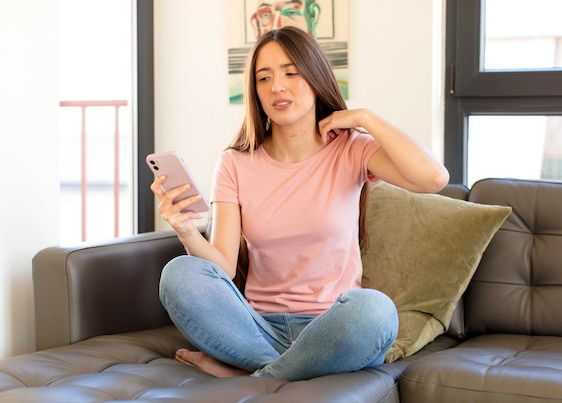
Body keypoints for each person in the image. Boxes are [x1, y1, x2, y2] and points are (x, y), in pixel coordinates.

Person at [151, 26, 449, 381]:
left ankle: (255, 377)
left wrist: (365, 118)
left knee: (376, 311)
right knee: (179, 274)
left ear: (315, 76)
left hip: (334, 325)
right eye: (264, 78)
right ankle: (284, 369)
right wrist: (186, 230)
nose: (277, 86)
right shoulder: (234, 162)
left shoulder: (351, 148)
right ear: (255, 91)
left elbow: (433, 178)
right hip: (257, 328)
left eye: (291, 73)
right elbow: (223, 268)